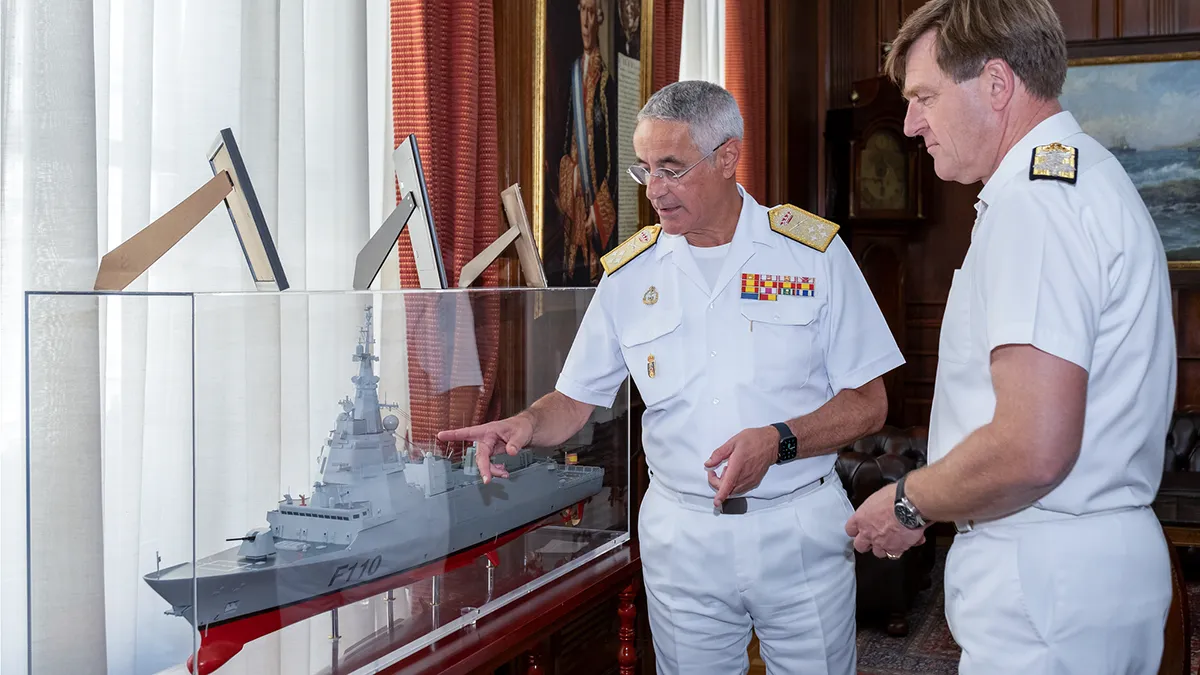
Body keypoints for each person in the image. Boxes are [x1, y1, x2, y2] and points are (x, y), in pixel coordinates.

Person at [440, 80, 904, 674]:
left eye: (672, 168)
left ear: (729, 157)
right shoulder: (630, 272)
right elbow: (575, 399)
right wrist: (525, 424)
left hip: (797, 531)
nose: (654, 190)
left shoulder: (809, 255)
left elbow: (868, 402)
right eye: (644, 170)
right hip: (682, 538)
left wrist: (779, 439)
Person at [844, 1, 1177, 673]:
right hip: (1080, 574)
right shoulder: (1085, 177)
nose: (911, 125)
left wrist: (907, 504)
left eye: (925, 97)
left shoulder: (1035, 203)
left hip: (1044, 580)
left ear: (996, 85)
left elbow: (1032, 445)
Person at [557, 0, 618, 284]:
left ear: (600, 19)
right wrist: (571, 172)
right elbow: (565, 135)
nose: (585, 20)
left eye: (591, 12)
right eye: (582, 10)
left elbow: (616, 156)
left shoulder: (607, 84)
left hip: (595, 200)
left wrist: (598, 208)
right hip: (575, 192)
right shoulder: (571, 74)